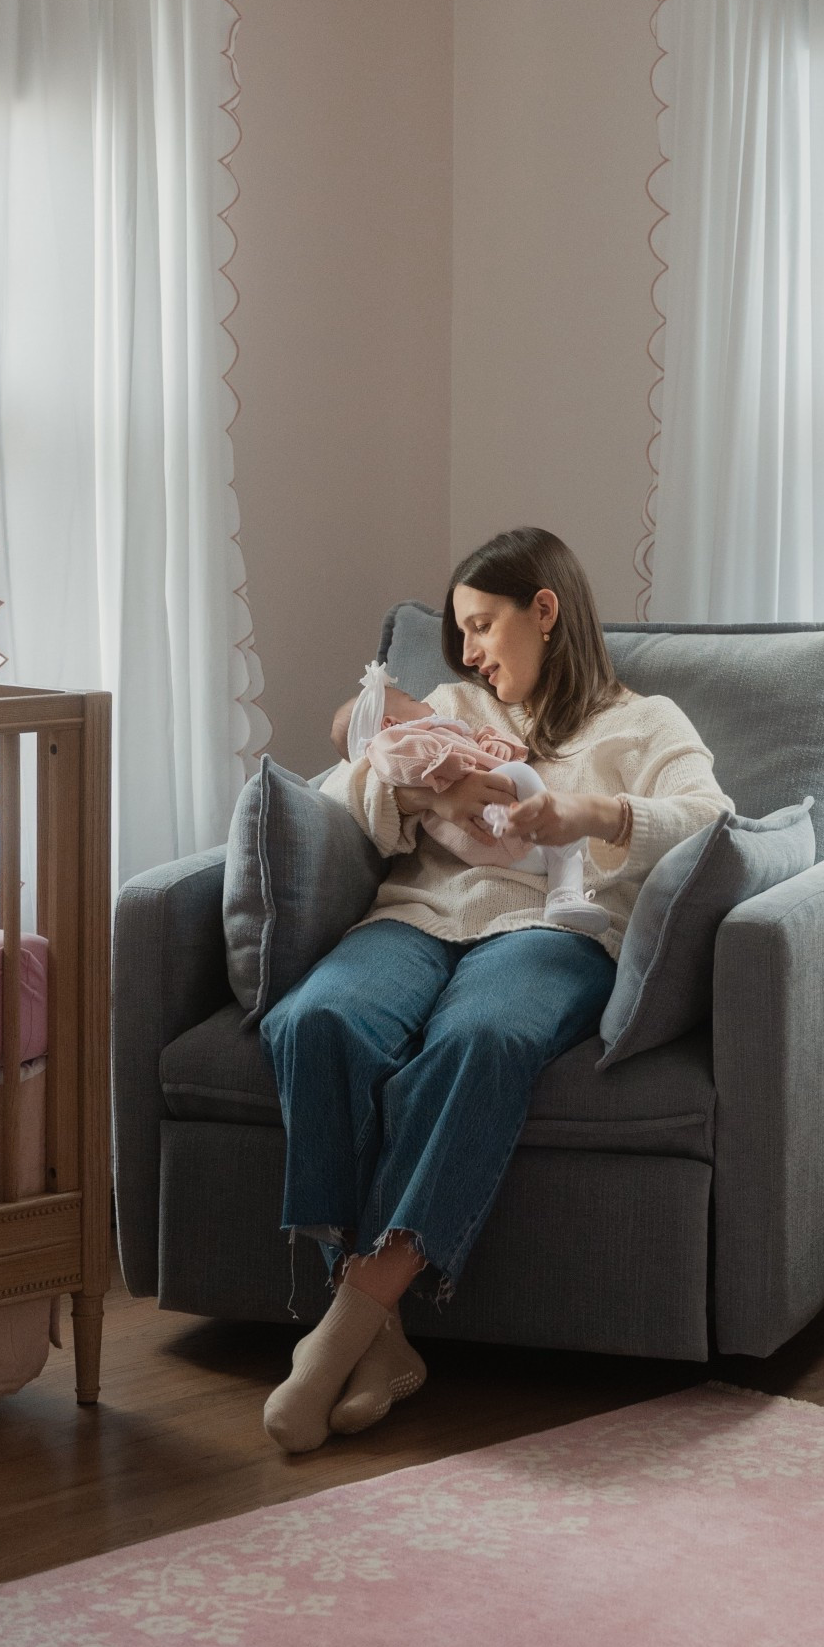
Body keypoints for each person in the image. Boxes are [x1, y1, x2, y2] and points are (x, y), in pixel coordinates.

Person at [258, 527, 733, 1451]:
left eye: (481, 625)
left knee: (481, 1040)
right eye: (460, 634)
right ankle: (381, 1341)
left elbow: (713, 820)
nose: (468, 650)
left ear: (544, 611)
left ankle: (340, 1331)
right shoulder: (453, 704)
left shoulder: (647, 723)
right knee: (314, 1019)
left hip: (551, 930)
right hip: (417, 913)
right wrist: (433, 799)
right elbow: (344, 772)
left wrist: (590, 811)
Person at [360, 681, 611, 935]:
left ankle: (565, 897)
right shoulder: (398, 739)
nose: (426, 702)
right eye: (413, 700)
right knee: (520, 774)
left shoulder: (450, 729)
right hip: (474, 825)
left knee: (568, 855)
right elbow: (393, 762)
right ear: (389, 723)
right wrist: (438, 764)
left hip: (505, 842)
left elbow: (482, 742)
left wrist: (499, 745)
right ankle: (558, 827)